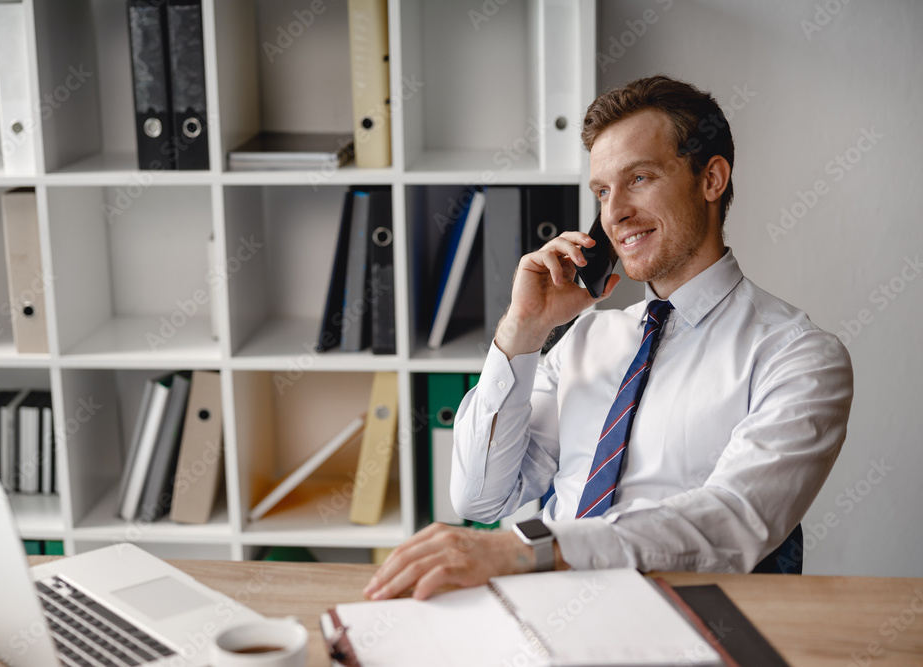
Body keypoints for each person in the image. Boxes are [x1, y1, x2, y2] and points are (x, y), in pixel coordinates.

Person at [363, 75, 854, 602]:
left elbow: (733, 522)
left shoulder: (798, 356)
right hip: (542, 614)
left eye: (639, 178)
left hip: (678, 625)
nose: (614, 213)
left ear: (712, 179)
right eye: (601, 191)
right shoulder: (585, 338)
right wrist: (521, 333)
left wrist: (531, 550)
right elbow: (480, 498)